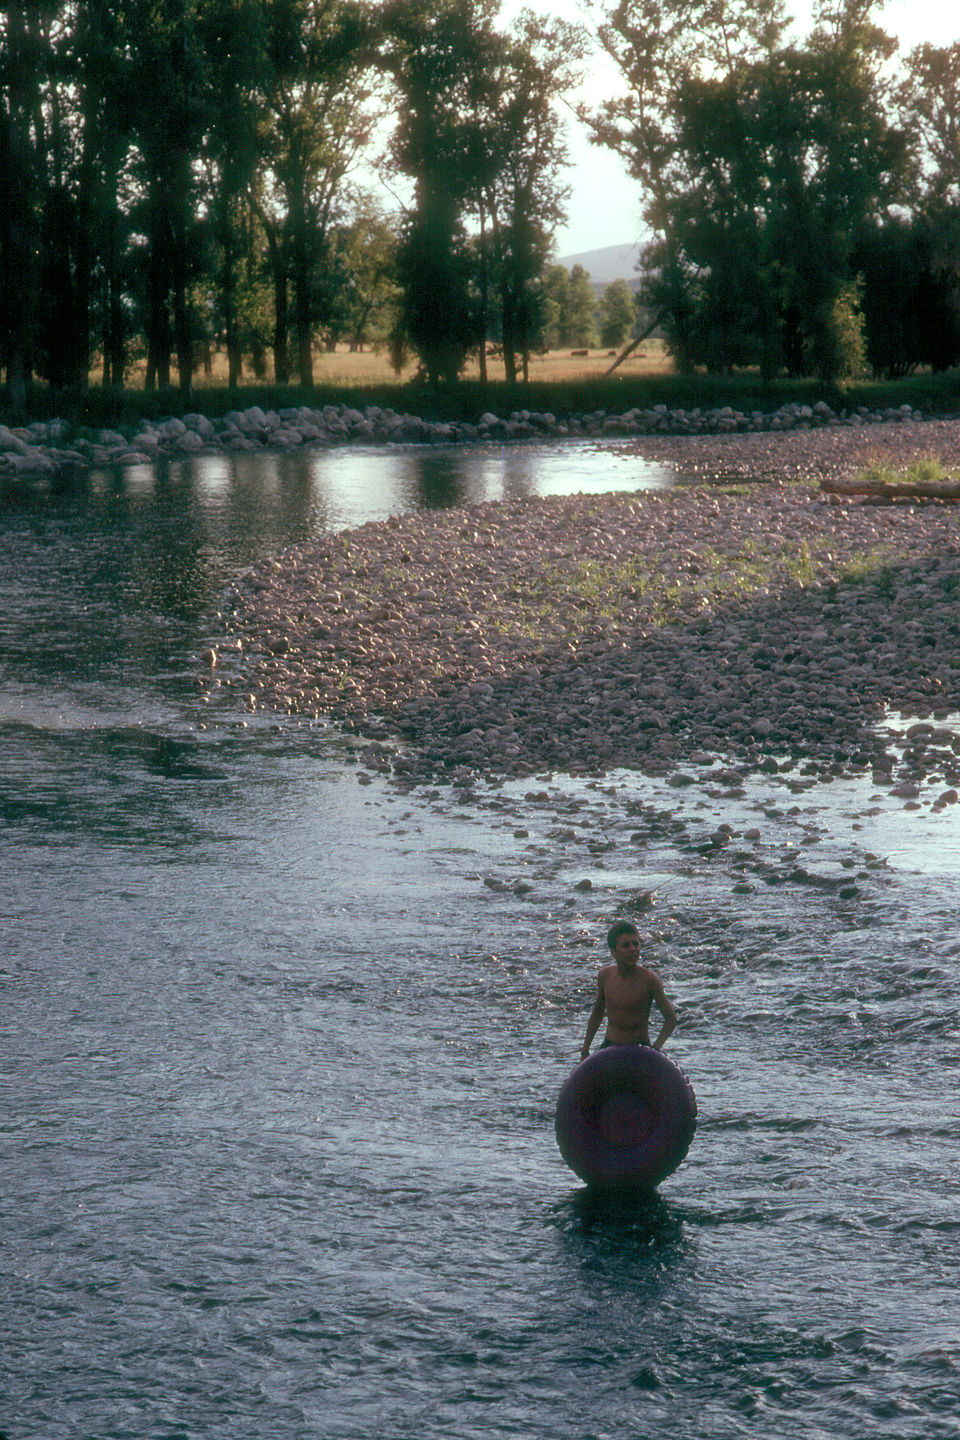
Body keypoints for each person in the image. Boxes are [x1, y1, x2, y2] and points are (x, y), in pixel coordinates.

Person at [580, 920, 678, 1061]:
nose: (633, 949)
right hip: (609, 1047)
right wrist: (585, 1051)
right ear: (613, 952)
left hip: (639, 1049)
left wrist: (655, 1050)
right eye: (626, 945)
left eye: (636, 944)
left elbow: (671, 1019)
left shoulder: (649, 980)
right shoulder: (605, 976)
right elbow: (597, 1014)